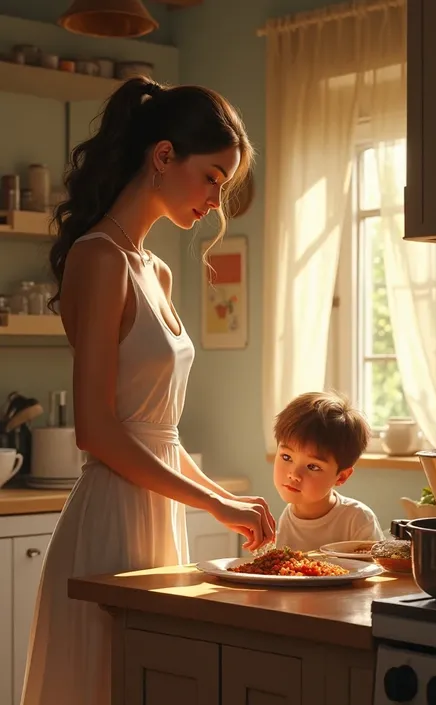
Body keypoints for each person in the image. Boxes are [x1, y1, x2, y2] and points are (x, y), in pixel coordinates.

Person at [21, 77, 275, 705]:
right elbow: (99, 432)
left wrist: (226, 499)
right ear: (164, 156)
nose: (217, 200)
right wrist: (216, 506)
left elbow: (158, 433)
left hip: (157, 514)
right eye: (213, 177)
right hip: (110, 522)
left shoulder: (154, 269)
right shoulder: (98, 257)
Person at [273, 392, 384, 552]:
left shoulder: (358, 519)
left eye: (313, 466)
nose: (294, 475)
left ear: (341, 476)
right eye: (286, 456)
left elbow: (374, 573)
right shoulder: (286, 519)